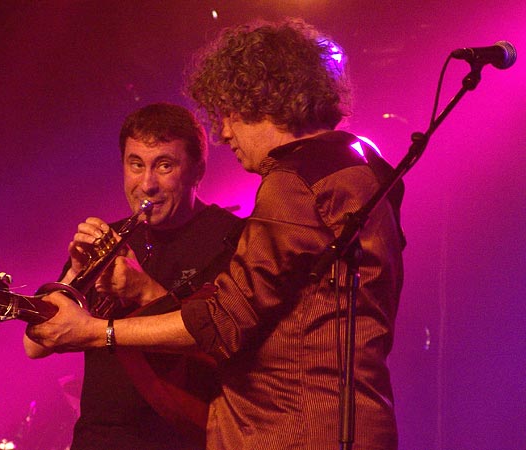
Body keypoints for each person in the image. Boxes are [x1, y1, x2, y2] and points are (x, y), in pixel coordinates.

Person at [26, 19, 405, 450]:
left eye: (230, 114)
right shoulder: (363, 169)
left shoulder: (292, 180)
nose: (224, 133)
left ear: (264, 101)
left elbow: (224, 322)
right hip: (350, 420)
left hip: (289, 430)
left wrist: (97, 332)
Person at [23, 102, 243, 450]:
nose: (147, 184)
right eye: (136, 164)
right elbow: (34, 346)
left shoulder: (234, 239)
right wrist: (75, 275)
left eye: (165, 165)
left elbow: (222, 346)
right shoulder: (110, 237)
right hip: (96, 440)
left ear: (198, 171)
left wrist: (144, 291)